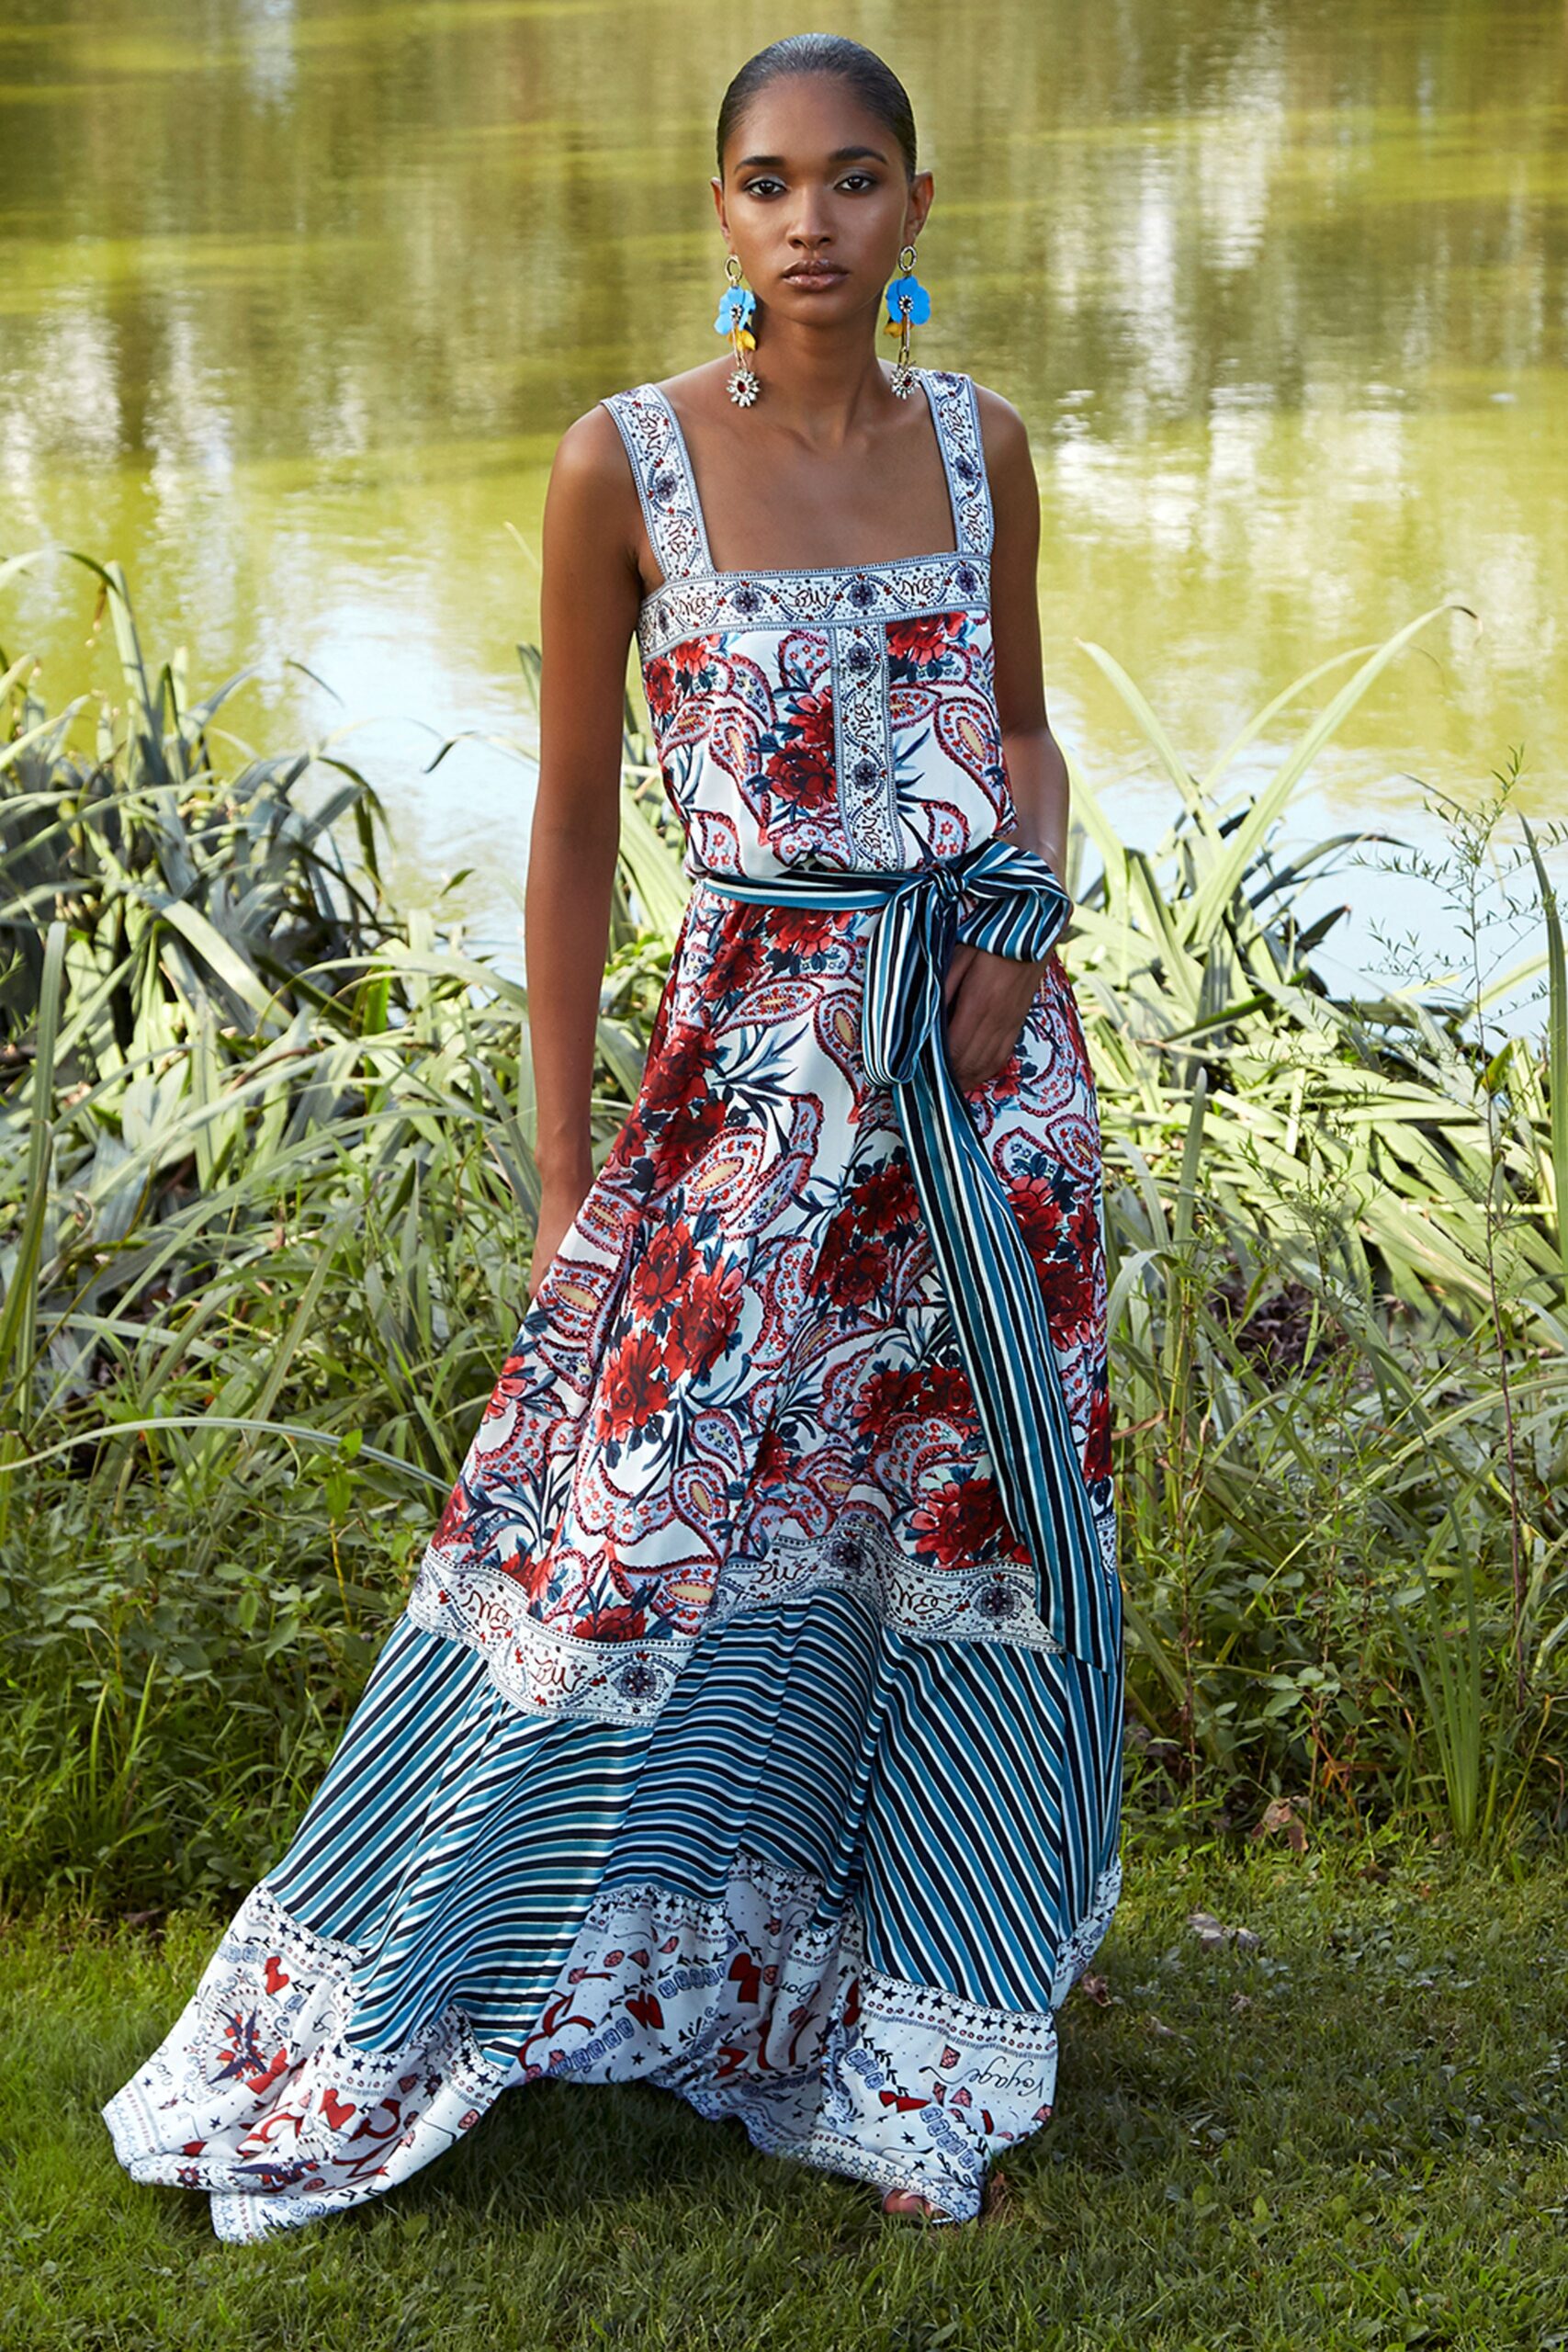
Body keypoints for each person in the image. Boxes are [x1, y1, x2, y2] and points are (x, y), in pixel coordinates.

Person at [101, 31, 1124, 2240]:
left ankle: (915, 2015)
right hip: (746, 1084)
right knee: (614, 1534)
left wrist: (1019, 922)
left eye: (851, 179)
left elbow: (1027, 737)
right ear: (718, 208)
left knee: (948, 1542)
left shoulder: (982, 446)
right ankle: (438, 1967)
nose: (808, 222)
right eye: (767, 181)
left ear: (915, 207)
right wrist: (567, 1167)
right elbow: (571, 830)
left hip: (981, 1096)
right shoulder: (620, 463)